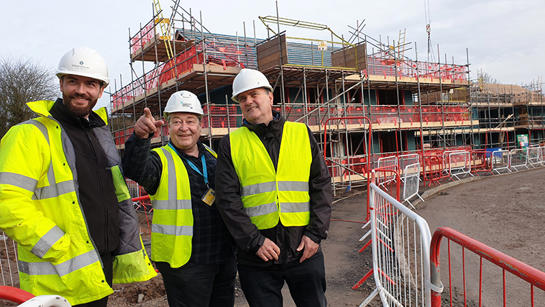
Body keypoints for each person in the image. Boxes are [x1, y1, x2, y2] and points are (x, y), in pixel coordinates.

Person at [0, 47, 156, 306]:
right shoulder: (29, 135)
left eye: (90, 83)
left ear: (101, 90)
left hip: (98, 265)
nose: (81, 90)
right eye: (73, 81)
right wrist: (59, 245)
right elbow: (6, 201)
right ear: (61, 83)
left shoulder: (98, 133)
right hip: (57, 274)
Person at [215, 68, 332, 307]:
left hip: (303, 249)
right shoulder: (231, 143)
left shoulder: (301, 133)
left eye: (253, 94)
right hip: (257, 257)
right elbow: (227, 200)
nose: (248, 101)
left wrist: (314, 235)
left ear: (270, 97)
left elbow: (321, 185)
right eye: (242, 98)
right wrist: (254, 242)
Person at [122, 90, 236, 307]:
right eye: (177, 121)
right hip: (183, 264)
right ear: (168, 126)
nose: (184, 127)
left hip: (222, 258)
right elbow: (135, 169)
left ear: (200, 125)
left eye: (190, 121)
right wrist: (139, 138)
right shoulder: (159, 159)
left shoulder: (214, 158)